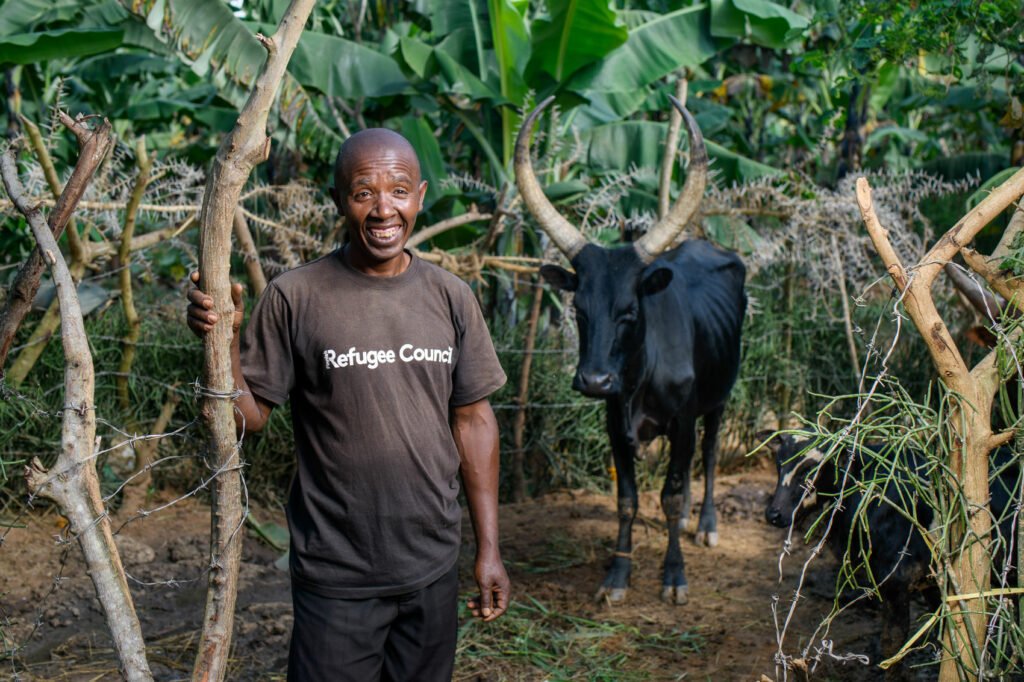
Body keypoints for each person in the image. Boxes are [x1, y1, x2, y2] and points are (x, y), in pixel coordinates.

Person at [186, 128, 510, 681]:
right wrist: (221, 345)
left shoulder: (450, 296)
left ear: (421, 196)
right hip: (336, 574)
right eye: (364, 193)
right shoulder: (296, 296)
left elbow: (474, 422)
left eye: (399, 190)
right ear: (340, 199)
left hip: (431, 566)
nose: (385, 208)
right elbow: (248, 417)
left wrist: (488, 550)